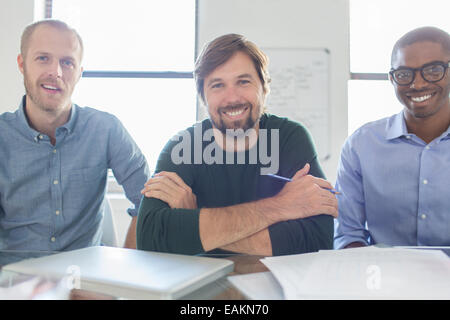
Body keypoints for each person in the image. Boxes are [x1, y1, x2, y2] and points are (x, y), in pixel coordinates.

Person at [136, 34, 338, 256]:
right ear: (203, 96)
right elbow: (151, 237)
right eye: (217, 85)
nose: (232, 98)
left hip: (275, 286)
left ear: (264, 87)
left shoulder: (290, 138)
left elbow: (316, 241)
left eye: (243, 82)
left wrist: (195, 220)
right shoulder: (182, 147)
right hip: (199, 286)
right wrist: (281, 206)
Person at [0, 19, 149, 251]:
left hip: (86, 280)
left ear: (79, 72)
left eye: (67, 62)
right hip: (15, 280)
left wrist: (127, 265)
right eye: (43, 58)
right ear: (22, 64)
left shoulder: (105, 129)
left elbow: (150, 201)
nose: (55, 72)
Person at [334, 26, 450, 249]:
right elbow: (348, 234)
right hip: (383, 279)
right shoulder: (361, 145)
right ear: (392, 79)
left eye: (433, 70)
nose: (418, 84)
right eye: (405, 74)